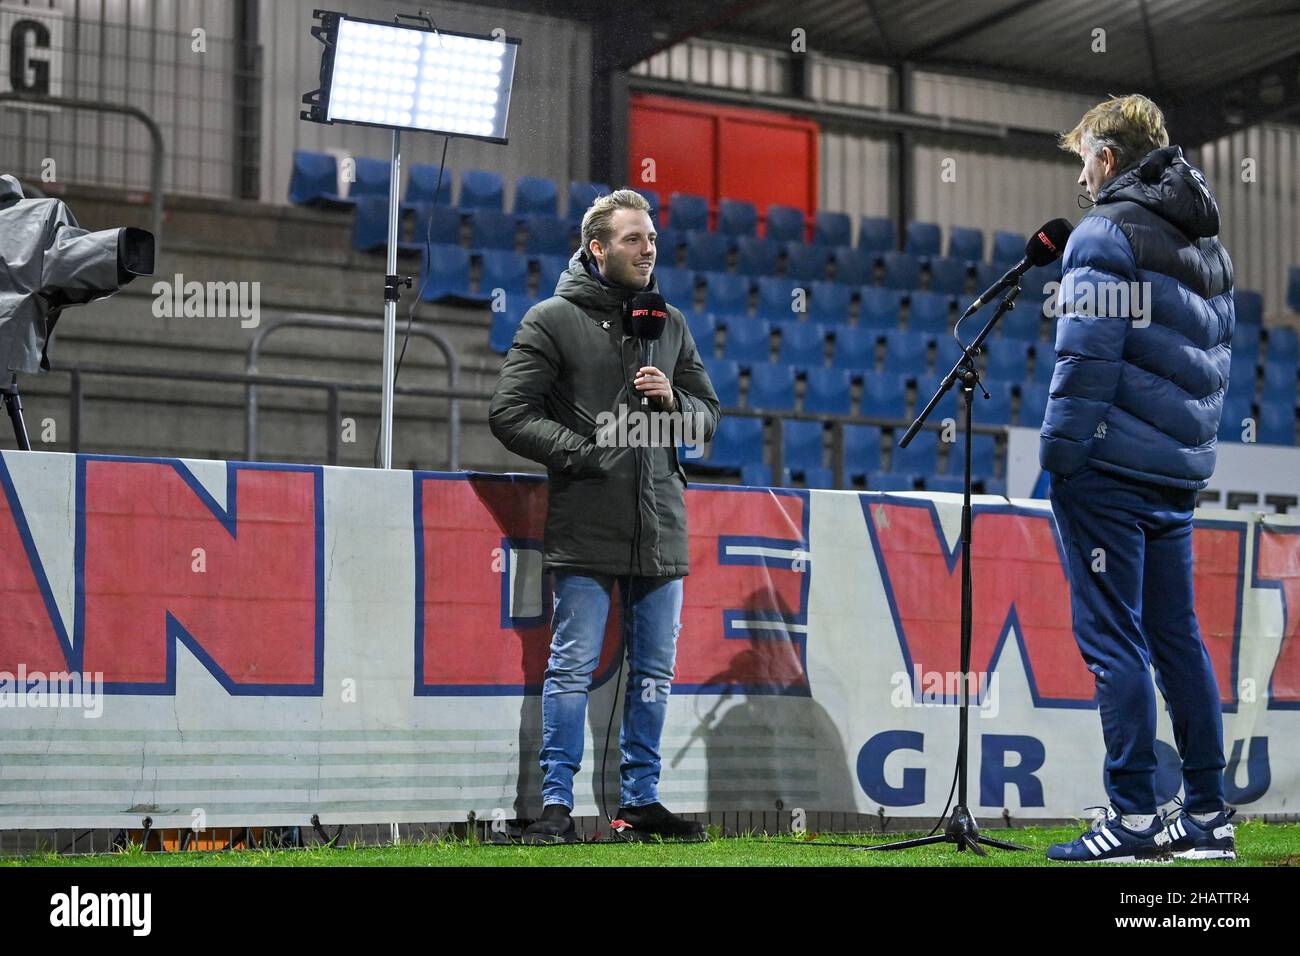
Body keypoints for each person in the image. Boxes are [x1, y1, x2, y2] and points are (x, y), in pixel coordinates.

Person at [489, 188, 720, 843]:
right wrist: (584, 455)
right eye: (632, 239)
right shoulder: (551, 319)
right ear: (597, 248)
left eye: (650, 238)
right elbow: (509, 413)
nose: (648, 248)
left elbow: (710, 418)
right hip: (586, 520)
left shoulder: (669, 322)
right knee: (571, 667)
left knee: (653, 673)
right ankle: (556, 808)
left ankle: (639, 803)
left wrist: (674, 401)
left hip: (661, 526)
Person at [1039, 94, 1236, 862]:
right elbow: (1211, 367)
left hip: (1107, 471)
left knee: (1114, 640)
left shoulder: (1103, 232)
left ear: (1109, 158)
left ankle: (1131, 816)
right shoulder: (1209, 247)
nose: (1081, 177)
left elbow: (1087, 356)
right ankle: (1209, 817)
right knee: (1177, 640)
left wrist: (1060, 456)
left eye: (1085, 159)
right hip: (1173, 477)